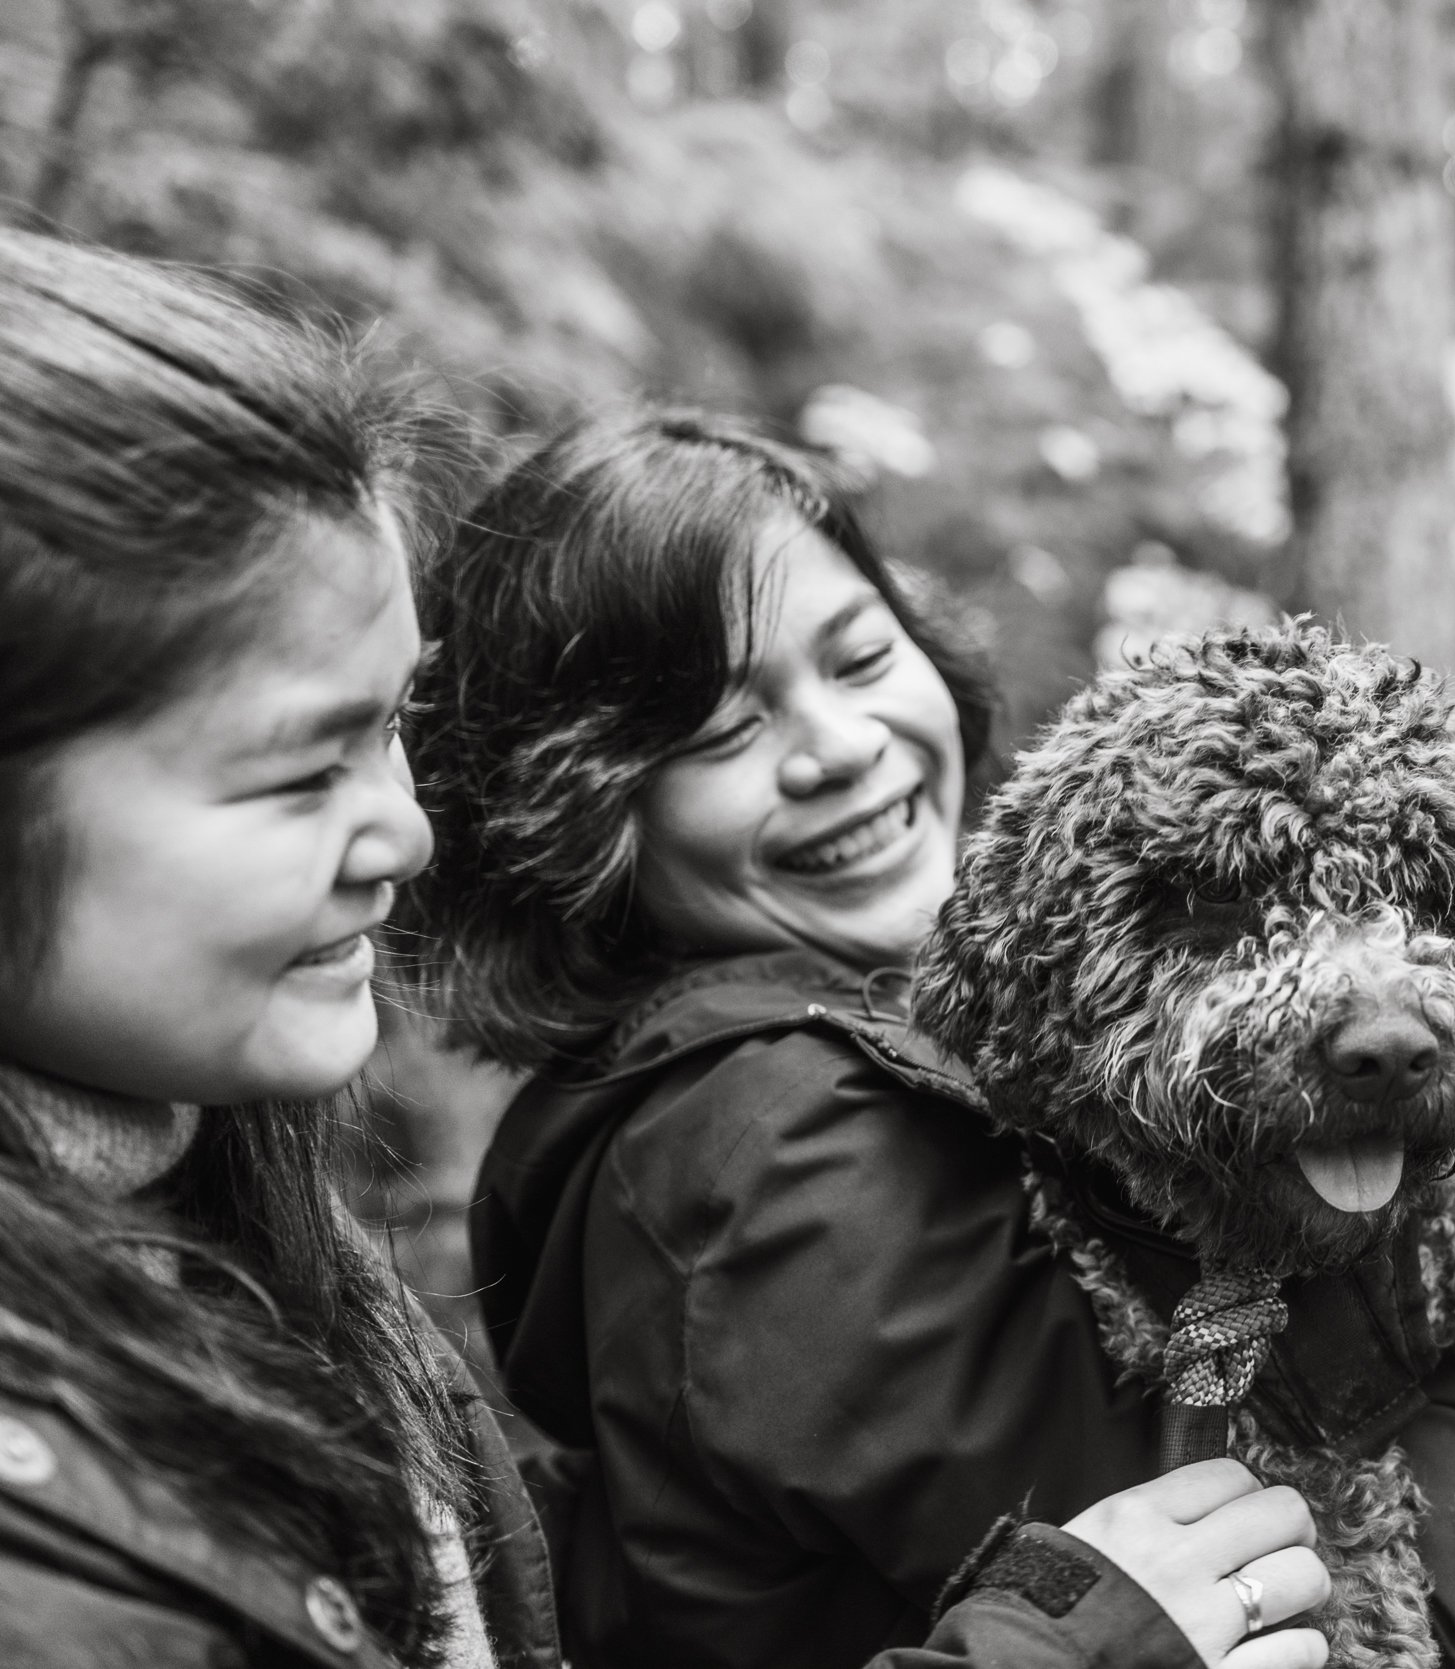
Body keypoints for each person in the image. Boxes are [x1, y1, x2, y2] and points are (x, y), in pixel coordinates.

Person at [0, 230, 1325, 1669]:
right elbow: (1265, 1490)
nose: (404, 831)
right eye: (292, 771)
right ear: (588, 814)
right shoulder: (777, 1138)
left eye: (386, 728)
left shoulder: (229, 1207)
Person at [411, 411, 1331, 1669]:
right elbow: (1284, 1529)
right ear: (585, 814)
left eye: (856, 657)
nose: (842, 750)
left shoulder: (818, 1050)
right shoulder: (784, 1143)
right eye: (726, 731)